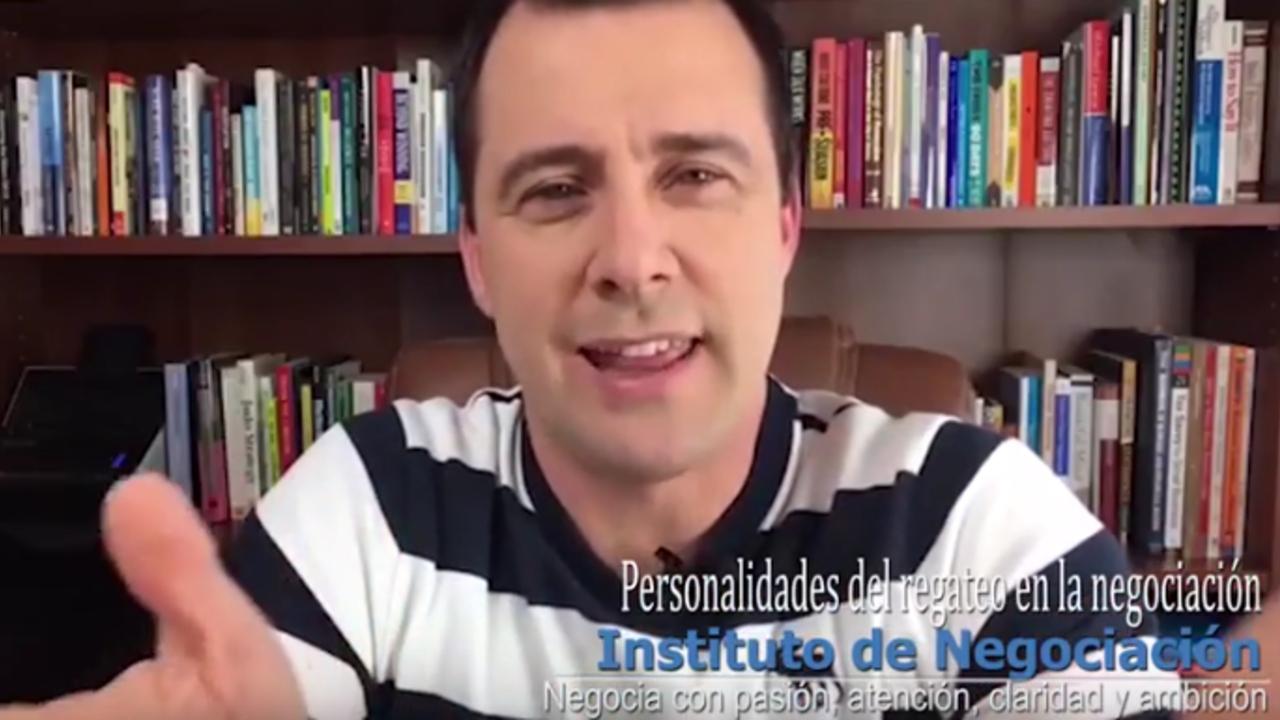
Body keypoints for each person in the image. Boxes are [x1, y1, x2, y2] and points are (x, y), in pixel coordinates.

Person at [2, 0, 1276, 717]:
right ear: (477, 259)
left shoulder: (976, 529)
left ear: (783, 230)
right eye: (555, 190)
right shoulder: (362, 511)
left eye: (694, 176)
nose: (628, 257)